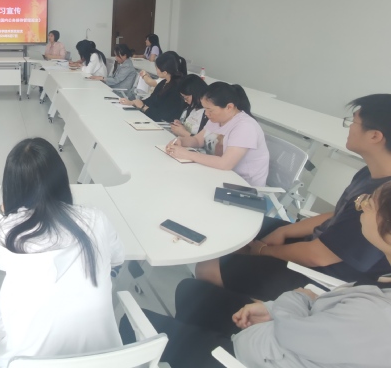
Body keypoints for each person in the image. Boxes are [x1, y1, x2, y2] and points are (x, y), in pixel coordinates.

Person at [119, 180, 391, 368]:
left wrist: (295, 299)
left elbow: (295, 332)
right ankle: (193, 341)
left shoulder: (377, 315)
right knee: (191, 291)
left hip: (251, 356)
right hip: (274, 334)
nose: (361, 205)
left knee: (130, 324)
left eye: (369, 204)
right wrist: (274, 308)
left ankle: (193, 345)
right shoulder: (380, 291)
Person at [193, 94, 391, 301]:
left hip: (321, 277)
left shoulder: (381, 200)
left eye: (353, 122)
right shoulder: (370, 173)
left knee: (209, 266)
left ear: (375, 136)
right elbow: (336, 215)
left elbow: (318, 256)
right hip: (314, 246)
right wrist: (284, 230)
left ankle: (236, 311)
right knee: (230, 228)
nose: (349, 128)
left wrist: (263, 251)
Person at [0, 138, 124, 368]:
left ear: (12, 186)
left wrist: (3, 212)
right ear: (61, 178)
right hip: (100, 362)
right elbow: (117, 258)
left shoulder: (8, 231)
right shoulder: (95, 219)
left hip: (24, 363)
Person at [165, 82, 269, 187]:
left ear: (229, 107)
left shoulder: (245, 126)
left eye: (210, 110)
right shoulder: (216, 119)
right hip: (217, 174)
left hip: (243, 186)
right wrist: (181, 141)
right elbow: (198, 140)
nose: (206, 113)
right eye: (205, 109)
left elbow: (225, 164)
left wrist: (187, 154)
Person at [119, 52, 186, 122]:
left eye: (157, 68)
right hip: (151, 118)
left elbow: (162, 116)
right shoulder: (163, 83)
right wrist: (132, 103)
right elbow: (150, 100)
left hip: (161, 124)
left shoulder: (176, 89)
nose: (156, 69)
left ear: (165, 72)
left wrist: (143, 107)